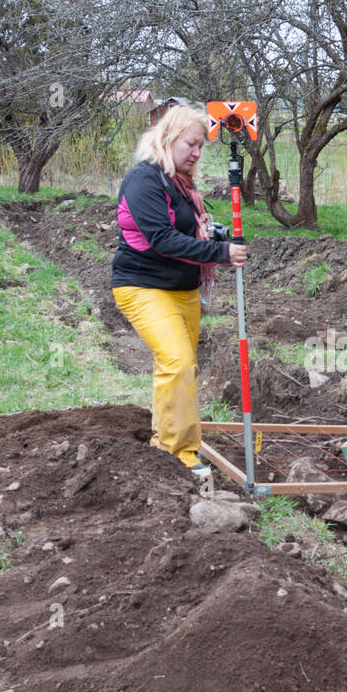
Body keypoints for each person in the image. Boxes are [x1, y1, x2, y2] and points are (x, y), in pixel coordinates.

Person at [111, 104, 247, 479]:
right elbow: (162, 238)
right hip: (143, 285)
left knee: (177, 367)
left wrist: (217, 235)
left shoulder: (181, 184)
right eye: (191, 144)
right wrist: (220, 253)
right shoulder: (145, 180)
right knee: (178, 362)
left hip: (183, 288)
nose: (197, 153)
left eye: (202, 146)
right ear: (168, 138)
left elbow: (189, 229)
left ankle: (165, 440)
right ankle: (179, 453)